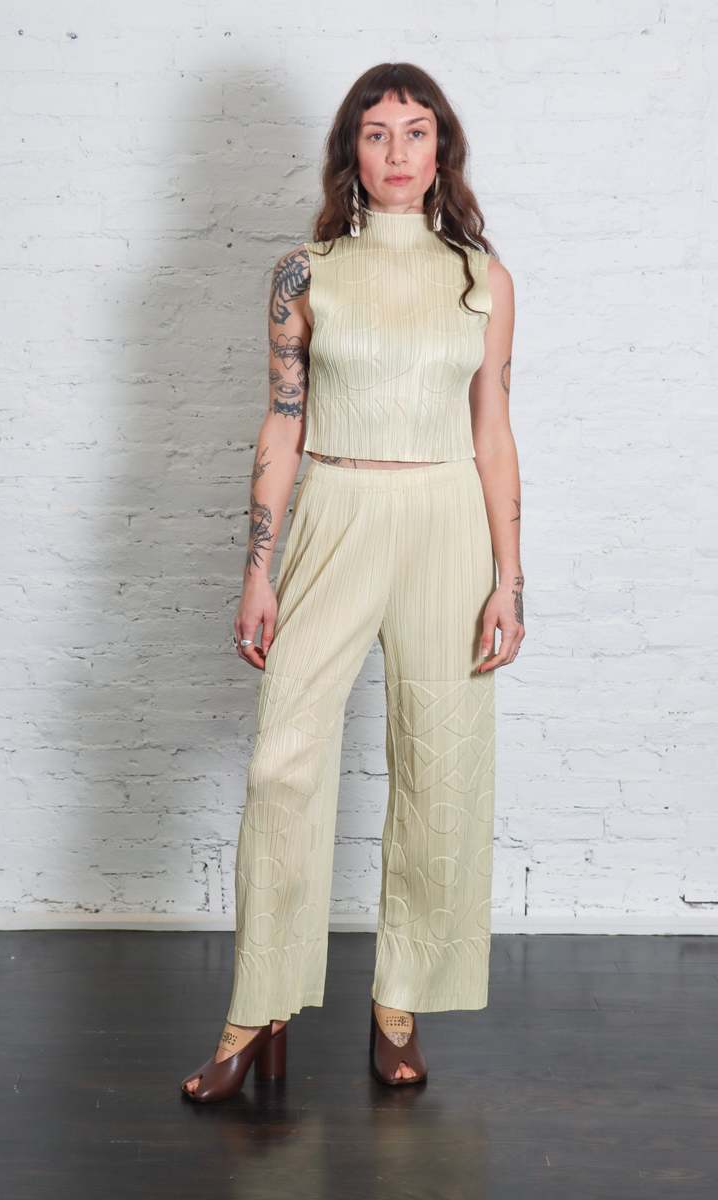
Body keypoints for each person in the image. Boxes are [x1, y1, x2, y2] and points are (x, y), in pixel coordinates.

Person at [182, 61, 523, 1103]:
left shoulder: (481, 278)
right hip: (334, 511)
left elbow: (493, 432)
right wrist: (258, 570)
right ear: (351, 152)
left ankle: (399, 1002)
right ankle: (259, 1006)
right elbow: (281, 422)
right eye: (376, 134)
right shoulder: (305, 272)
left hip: (444, 521)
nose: (397, 153)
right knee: (281, 764)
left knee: (439, 764)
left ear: (440, 148)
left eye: (415, 132)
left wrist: (508, 579)